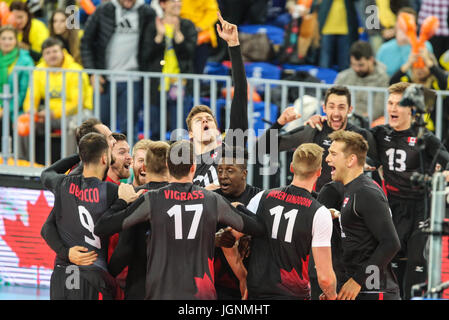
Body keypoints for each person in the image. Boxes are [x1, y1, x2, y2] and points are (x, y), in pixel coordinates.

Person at [94, 140, 265, 299]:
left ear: (168, 165)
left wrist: (122, 201)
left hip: (161, 293)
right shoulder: (212, 200)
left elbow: (103, 227)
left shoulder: (151, 199)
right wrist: (238, 207)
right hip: (201, 294)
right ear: (193, 167)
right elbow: (258, 227)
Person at [368, 82, 449, 299]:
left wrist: (444, 174)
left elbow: (447, 161)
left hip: (421, 209)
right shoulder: (379, 133)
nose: (393, 109)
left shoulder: (425, 138)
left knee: (416, 263)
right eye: (390, 103)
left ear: (412, 110)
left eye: (399, 104)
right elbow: (355, 138)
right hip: (392, 207)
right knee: (391, 264)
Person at [40, 132, 140, 299]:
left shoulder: (62, 184)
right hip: (92, 275)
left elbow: (47, 173)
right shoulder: (111, 191)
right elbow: (106, 224)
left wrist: (82, 154)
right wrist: (122, 201)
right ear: (104, 159)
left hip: (62, 273)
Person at [243, 143, 336, 300]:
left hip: (256, 293)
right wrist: (332, 295)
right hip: (293, 293)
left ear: (291, 167)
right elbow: (325, 277)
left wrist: (243, 279)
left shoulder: (261, 197)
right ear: (319, 172)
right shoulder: (319, 213)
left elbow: (237, 241)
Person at [326, 130, 401, 300]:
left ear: (351, 160)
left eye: (333, 154)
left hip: (375, 291)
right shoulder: (352, 188)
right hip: (361, 289)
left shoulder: (366, 192)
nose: (327, 159)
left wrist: (358, 280)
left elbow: (391, 243)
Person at [257, 85, 375, 192]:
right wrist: (279, 123)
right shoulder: (314, 130)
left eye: (341, 107)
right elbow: (262, 148)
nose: (336, 113)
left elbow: (378, 161)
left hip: (350, 201)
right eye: (331, 107)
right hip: (319, 201)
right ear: (324, 108)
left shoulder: (360, 135)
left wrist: (363, 163)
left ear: (349, 110)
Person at [41, 118, 116, 272]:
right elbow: (48, 226)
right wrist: (66, 253)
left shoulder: (102, 173)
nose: (114, 141)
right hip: (80, 273)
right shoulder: (75, 180)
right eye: (109, 137)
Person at [186, 12, 248, 189]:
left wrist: (233, 45)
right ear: (190, 133)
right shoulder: (184, 166)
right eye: (199, 120)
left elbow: (241, 94)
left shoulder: (229, 149)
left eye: (209, 119)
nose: (205, 120)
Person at [81, 0, 155, 136]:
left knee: (129, 128)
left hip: (133, 79)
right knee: (99, 128)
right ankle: (101, 157)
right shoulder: (103, 10)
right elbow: (86, 41)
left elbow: (151, 47)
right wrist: (92, 73)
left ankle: (129, 157)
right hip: (104, 79)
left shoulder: (147, 12)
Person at [108, 141, 170, 299]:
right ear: (133, 162)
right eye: (140, 160)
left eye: (146, 160)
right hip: (126, 284)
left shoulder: (138, 199)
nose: (144, 165)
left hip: (140, 285)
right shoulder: (120, 194)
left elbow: (123, 247)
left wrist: (105, 272)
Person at [19, 37, 93, 163]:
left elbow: (77, 103)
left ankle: (69, 166)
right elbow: (31, 97)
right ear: (43, 56)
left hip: (78, 113)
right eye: (48, 53)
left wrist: (53, 114)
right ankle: (24, 163)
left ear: (62, 52)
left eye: (55, 51)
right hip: (50, 113)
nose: (51, 55)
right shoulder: (39, 70)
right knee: (23, 121)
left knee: (74, 125)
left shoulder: (75, 70)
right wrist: (32, 111)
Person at [213, 146, 262, 300]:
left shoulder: (260, 198)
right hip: (218, 284)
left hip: (254, 282)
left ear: (244, 174)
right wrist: (214, 240)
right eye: (220, 170)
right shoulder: (210, 199)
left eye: (229, 170)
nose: (222, 176)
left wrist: (251, 237)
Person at [146, 0, 197, 137]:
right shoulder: (153, 25)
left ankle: (178, 158)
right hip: (157, 86)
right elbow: (145, 56)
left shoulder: (187, 25)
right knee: (156, 131)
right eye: (173, 1)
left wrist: (178, 34)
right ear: (162, 4)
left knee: (179, 131)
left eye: (179, 1)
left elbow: (191, 54)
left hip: (180, 85)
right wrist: (159, 36)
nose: (178, 4)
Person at [389, 47, 449, 142]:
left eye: (423, 65)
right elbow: (393, 83)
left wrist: (428, 61)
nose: (419, 69)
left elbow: (443, 80)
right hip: (409, 130)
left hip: (433, 132)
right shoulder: (408, 83)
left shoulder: (435, 84)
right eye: (416, 65)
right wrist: (409, 62)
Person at [334, 40, 390, 121]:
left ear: (371, 60)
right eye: (353, 64)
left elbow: (379, 108)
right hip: (343, 120)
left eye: (361, 65)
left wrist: (361, 120)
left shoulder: (383, 78)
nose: (357, 69)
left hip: (367, 122)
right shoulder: (343, 77)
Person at [0, 25, 33, 151]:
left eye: (10, 38)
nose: (6, 42)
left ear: (16, 41)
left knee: (9, 122)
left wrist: (5, 109)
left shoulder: (25, 61)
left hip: (17, 107)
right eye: (3, 38)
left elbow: (23, 92)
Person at [376, 7, 434, 77]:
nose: (404, 25)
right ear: (396, 24)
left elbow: (432, 74)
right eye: (402, 21)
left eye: (409, 22)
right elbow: (378, 76)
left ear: (416, 27)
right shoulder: (384, 49)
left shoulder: (425, 46)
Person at [318, 0, 358, 71]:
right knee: (325, 62)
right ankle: (323, 80)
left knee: (344, 63)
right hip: (326, 29)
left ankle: (343, 81)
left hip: (345, 29)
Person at [180, 0, 219, 74]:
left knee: (198, 70)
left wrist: (199, 27)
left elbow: (213, 13)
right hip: (182, 37)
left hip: (201, 39)